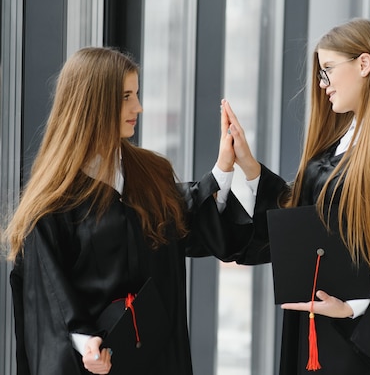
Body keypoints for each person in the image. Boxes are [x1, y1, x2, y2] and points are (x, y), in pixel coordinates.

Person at [2, 47, 272, 375]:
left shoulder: (150, 173)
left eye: (137, 94)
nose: (138, 107)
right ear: (94, 102)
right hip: (97, 364)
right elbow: (49, 293)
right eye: (126, 96)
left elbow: (188, 222)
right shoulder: (55, 202)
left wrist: (223, 169)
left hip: (158, 359)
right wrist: (85, 342)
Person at [222, 18, 370, 374]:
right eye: (321, 74)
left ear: (364, 64)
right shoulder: (336, 151)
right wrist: (250, 167)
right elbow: (302, 222)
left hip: (352, 341)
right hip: (311, 326)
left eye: (329, 70)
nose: (323, 85)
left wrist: (351, 308)